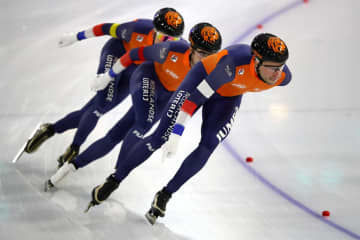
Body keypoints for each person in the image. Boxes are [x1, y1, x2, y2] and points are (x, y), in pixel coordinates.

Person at [86, 33, 292, 223]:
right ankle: (113, 180)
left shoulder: (283, 77)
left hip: (228, 96)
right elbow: (193, 101)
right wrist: (177, 133)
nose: (277, 73)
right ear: (255, 61)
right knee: (161, 137)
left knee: (210, 143)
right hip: (200, 82)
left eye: (281, 67)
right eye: (273, 68)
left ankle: (165, 194)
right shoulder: (231, 65)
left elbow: (275, 74)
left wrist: (276, 70)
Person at [45, 23, 223, 194]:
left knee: (116, 134)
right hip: (147, 77)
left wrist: (177, 132)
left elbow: (196, 102)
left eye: (211, 55)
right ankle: (115, 176)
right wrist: (107, 77)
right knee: (143, 125)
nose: (206, 59)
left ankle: (71, 167)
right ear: (191, 48)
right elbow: (133, 54)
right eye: (202, 53)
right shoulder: (171, 50)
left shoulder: (210, 71)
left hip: (167, 96)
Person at [23, 8, 184, 168]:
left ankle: (50, 129)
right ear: (155, 31)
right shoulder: (137, 30)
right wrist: (75, 37)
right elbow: (105, 28)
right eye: (163, 37)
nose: (166, 42)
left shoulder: (174, 50)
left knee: (97, 108)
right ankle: (74, 147)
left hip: (133, 70)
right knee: (101, 105)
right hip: (116, 54)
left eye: (172, 39)